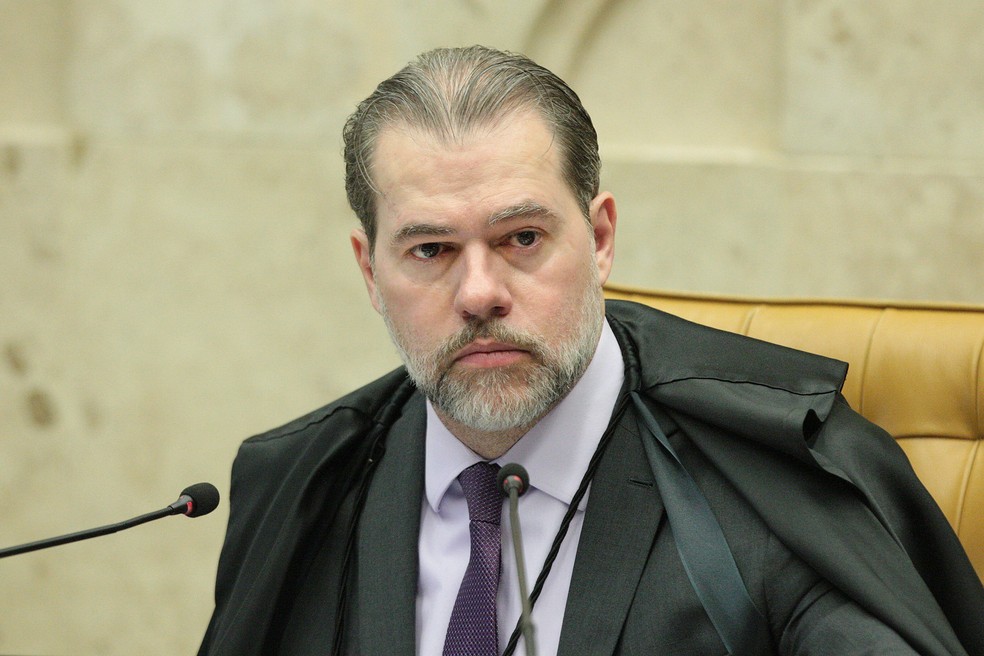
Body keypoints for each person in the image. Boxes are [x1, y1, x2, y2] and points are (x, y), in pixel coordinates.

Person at [198, 46, 984, 656]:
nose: (479, 292)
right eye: (431, 250)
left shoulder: (776, 484)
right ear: (371, 272)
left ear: (601, 238)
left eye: (523, 238)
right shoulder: (300, 490)